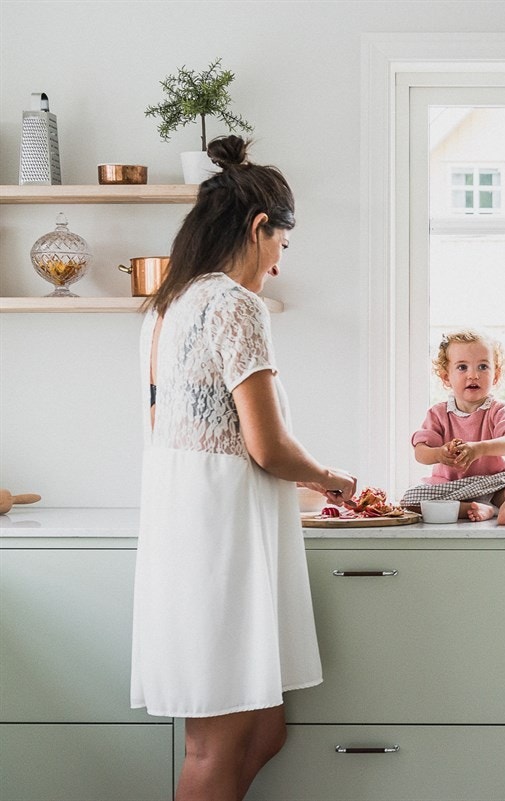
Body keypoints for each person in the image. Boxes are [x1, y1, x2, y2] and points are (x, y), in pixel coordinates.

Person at [130, 135, 357, 801]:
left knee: (263, 731)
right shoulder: (234, 303)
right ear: (260, 228)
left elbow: (182, 430)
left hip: (191, 522)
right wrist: (333, 480)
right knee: (214, 744)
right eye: (282, 247)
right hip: (217, 536)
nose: (279, 267)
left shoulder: (168, 306)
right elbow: (267, 445)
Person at [400, 329, 505, 525]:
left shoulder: (497, 410)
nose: (473, 375)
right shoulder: (438, 414)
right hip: (453, 488)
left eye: (483, 366)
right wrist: (440, 454)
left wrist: (479, 448)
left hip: (496, 483)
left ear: (496, 375)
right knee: (410, 501)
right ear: (445, 377)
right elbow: (421, 452)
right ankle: (479, 509)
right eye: (462, 367)